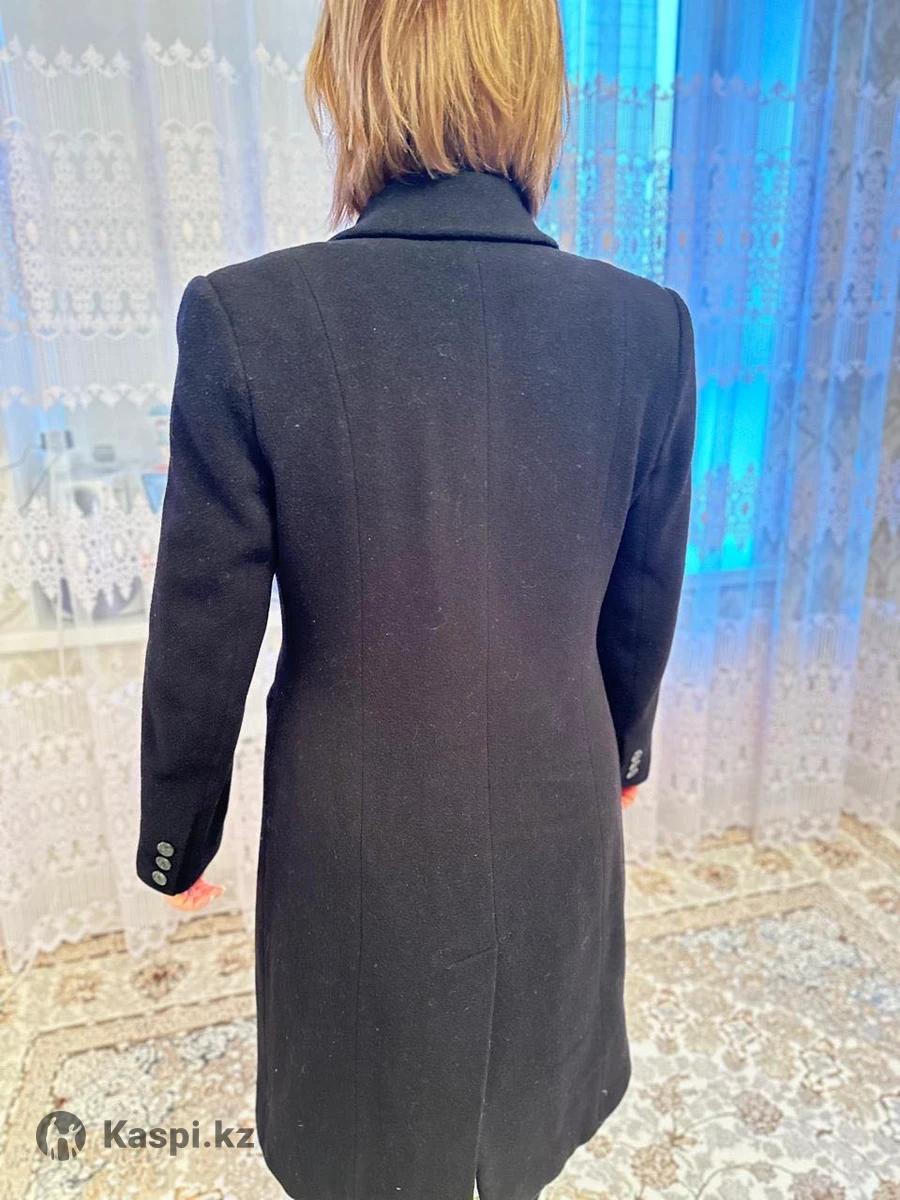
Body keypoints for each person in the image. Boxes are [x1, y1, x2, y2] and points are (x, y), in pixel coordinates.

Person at [136, 1, 696, 1197]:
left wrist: (178, 834)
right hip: (555, 801)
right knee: (522, 1109)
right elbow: (643, 594)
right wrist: (625, 750)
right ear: (535, 89)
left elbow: (202, 623)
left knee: (367, 1130)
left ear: (353, 78)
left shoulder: (248, 319)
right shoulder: (647, 328)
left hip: (358, 842)